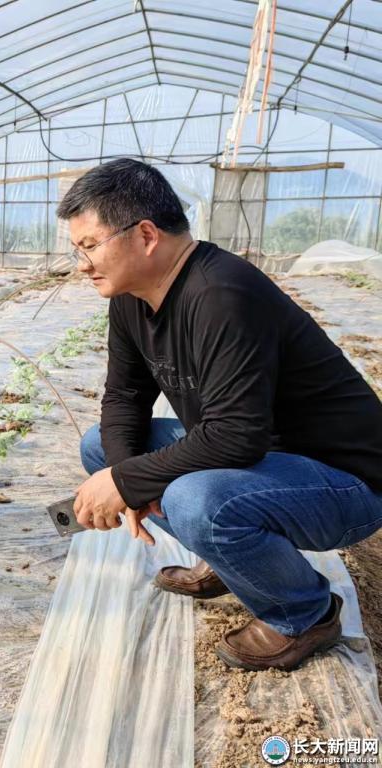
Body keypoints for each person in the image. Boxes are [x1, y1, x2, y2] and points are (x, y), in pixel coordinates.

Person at [61, 159, 382, 671]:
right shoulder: (131, 299)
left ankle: (305, 614)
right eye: (77, 250)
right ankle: (237, 562)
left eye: (90, 246)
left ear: (146, 235)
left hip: (343, 480)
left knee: (195, 500)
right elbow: (124, 396)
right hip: (264, 459)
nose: (82, 265)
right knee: (102, 448)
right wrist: (125, 476)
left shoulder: (221, 292)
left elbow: (236, 437)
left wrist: (128, 482)